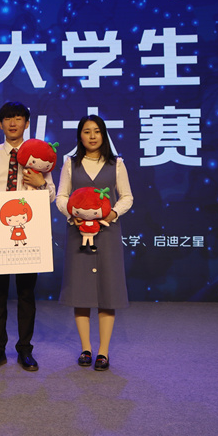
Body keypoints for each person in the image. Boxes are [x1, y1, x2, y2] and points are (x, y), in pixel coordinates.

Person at [0, 101, 56, 372]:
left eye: (18, 118)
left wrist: (41, 184)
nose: (13, 123)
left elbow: (51, 195)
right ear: (0, 124)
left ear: (26, 123)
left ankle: (25, 349)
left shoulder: (39, 153)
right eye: (8, 119)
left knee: (26, 293)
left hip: (29, 234)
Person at [55, 115, 133, 371]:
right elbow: (61, 196)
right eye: (87, 131)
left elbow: (127, 197)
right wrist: (72, 215)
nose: (92, 136)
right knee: (81, 292)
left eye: (97, 131)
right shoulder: (70, 163)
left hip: (107, 235)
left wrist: (112, 213)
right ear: (79, 135)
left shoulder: (116, 163)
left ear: (103, 135)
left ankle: (103, 352)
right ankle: (86, 348)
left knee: (107, 293)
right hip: (78, 233)